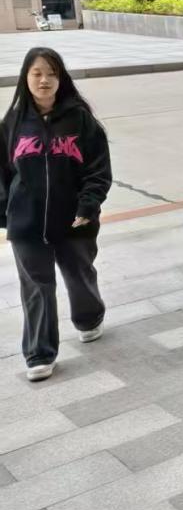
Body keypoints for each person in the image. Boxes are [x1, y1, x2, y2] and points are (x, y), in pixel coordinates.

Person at [0, 48, 112, 382]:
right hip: (27, 222)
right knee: (36, 287)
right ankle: (39, 352)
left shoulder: (80, 119)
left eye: (51, 73)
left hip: (74, 219)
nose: (44, 80)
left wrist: (88, 206)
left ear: (61, 78)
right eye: (37, 73)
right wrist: (6, 214)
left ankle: (89, 318)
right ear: (26, 78)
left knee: (79, 274)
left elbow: (98, 170)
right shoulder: (12, 124)